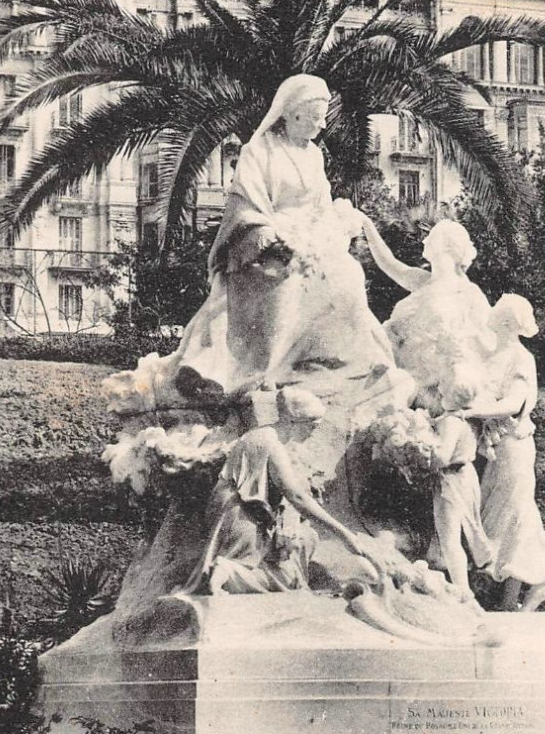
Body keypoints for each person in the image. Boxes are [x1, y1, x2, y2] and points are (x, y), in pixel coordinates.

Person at [171, 75, 395, 393]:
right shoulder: (258, 151)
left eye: (324, 118)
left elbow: (321, 205)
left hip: (311, 236)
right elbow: (244, 204)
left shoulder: (314, 156)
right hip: (265, 237)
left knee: (348, 271)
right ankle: (267, 368)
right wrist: (271, 231)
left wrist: (337, 221)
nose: (322, 126)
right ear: (293, 113)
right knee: (284, 271)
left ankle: (353, 358)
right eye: (317, 117)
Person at [180, 387, 381, 594]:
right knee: (253, 566)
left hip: (247, 509)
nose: (314, 431)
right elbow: (296, 495)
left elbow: (288, 495)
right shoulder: (272, 443)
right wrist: (344, 534)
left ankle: (230, 573)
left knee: (300, 545)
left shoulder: (268, 437)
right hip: (239, 512)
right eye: (312, 426)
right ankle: (227, 573)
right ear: (294, 421)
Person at [465, 294, 545, 612]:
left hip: (513, 447)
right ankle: (514, 596)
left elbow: (513, 403)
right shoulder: (492, 355)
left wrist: (470, 411)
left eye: (498, 315)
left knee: (514, 515)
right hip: (491, 450)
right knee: (498, 515)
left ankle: (521, 594)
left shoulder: (521, 358)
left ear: (507, 322)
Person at [360, 215, 495, 407]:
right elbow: (388, 262)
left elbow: (485, 343)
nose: (426, 240)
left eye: (432, 236)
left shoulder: (468, 292)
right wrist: (367, 225)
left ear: (448, 246)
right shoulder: (422, 280)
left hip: (441, 386)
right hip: (402, 368)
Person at [429, 370, 494, 597]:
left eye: (441, 388)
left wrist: (421, 449)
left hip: (451, 480)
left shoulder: (450, 422)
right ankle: (455, 585)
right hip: (467, 476)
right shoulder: (468, 419)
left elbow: (442, 457)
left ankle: (463, 592)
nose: (438, 391)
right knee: (456, 534)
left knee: (450, 538)